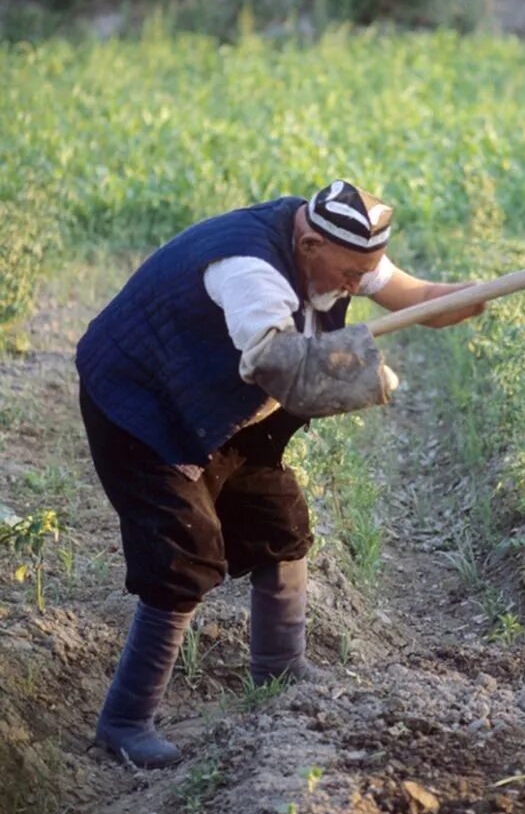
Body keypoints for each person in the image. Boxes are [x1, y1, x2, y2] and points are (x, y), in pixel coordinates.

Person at [76, 180, 482, 769]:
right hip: (142, 405)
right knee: (183, 554)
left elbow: (415, 295)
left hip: (224, 404)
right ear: (309, 244)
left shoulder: (342, 243)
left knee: (279, 522)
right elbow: (280, 369)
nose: (353, 288)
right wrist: (372, 377)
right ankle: (124, 722)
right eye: (347, 277)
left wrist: (466, 297)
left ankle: (278, 669)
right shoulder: (250, 271)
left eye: (360, 276)